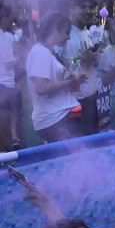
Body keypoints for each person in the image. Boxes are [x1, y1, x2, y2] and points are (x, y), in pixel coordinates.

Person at [26, 13, 86, 143]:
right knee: (73, 155)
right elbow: (41, 88)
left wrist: (73, 76)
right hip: (56, 120)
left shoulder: (45, 52)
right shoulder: (41, 52)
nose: (68, 37)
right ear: (54, 30)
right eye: (66, 32)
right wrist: (70, 82)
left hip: (58, 119)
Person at [64, 0, 101, 136]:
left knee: (94, 143)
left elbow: (83, 62)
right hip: (75, 102)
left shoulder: (85, 32)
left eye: (91, 7)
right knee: (82, 145)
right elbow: (59, 65)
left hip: (90, 98)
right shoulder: (65, 34)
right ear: (72, 8)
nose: (88, 11)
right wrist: (81, 59)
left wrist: (93, 59)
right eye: (83, 7)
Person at [0, 3, 22, 150]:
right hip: (5, 82)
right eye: (10, 18)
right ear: (3, 19)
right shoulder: (5, 37)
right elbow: (8, 63)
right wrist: (19, 59)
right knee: (12, 111)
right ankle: (14, 138)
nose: (11, 22)